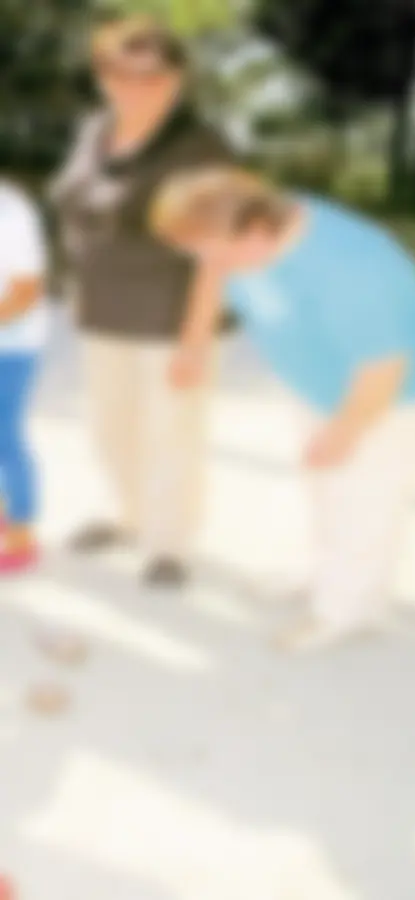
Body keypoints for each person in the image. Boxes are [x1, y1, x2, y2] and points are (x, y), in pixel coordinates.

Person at [151, 166, 415, 651]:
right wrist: (193, 345)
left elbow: (382, 368)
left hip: (395, 394)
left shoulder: (348, 263)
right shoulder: (244, 231)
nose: (209, 262)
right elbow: (211, 273)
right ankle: (322, 573)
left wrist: (342, 432)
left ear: (254, 231)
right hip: (321, 384)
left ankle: (345, 610)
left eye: (215, 250)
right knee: (324, 485)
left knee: (363, 497)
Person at [49, 14, 233, 589]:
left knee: (172, 435)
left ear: (175, 79)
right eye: (121, 72)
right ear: (104, 76)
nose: (136, 85)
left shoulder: (198, 148)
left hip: (169, 322)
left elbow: (216, 252)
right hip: (103, 315)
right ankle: (128, 518)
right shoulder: (95, 132)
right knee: (112, 430)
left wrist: (196, 338)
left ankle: (169, 545)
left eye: (151, 74)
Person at [0, 181, 48, 575]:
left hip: (11, 343)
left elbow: (27, 291)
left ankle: (22, 533)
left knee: (4, 434)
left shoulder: (12, 212)